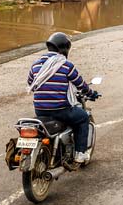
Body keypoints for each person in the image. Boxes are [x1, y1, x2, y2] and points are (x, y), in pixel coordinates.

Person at [27, 32, 98, 164]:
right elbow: (80, 84)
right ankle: (80, 154)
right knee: (82, 117)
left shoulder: (36, 65)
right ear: (65, 48)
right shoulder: (65, 65)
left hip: (40, 110)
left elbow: (31, 83)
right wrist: (91, 93)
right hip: (60, 110)